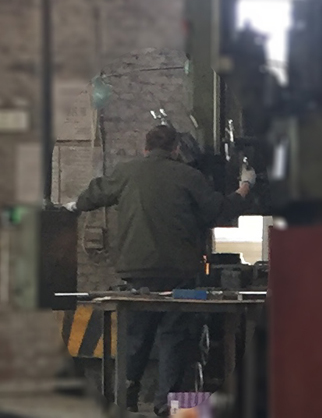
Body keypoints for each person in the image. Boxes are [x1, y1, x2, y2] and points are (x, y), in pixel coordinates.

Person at [65, 124, 256, 416]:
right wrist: (245, 187)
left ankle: (126, 396)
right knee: (174, 337)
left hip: (138, 271)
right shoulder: (189, 176)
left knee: (136, 335)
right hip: (179, 273)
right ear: (176, 149)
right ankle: (167, 405)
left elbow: (94, 195)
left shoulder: (126, 172)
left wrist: (72, 205)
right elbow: (218, 210)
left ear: (145, 148)